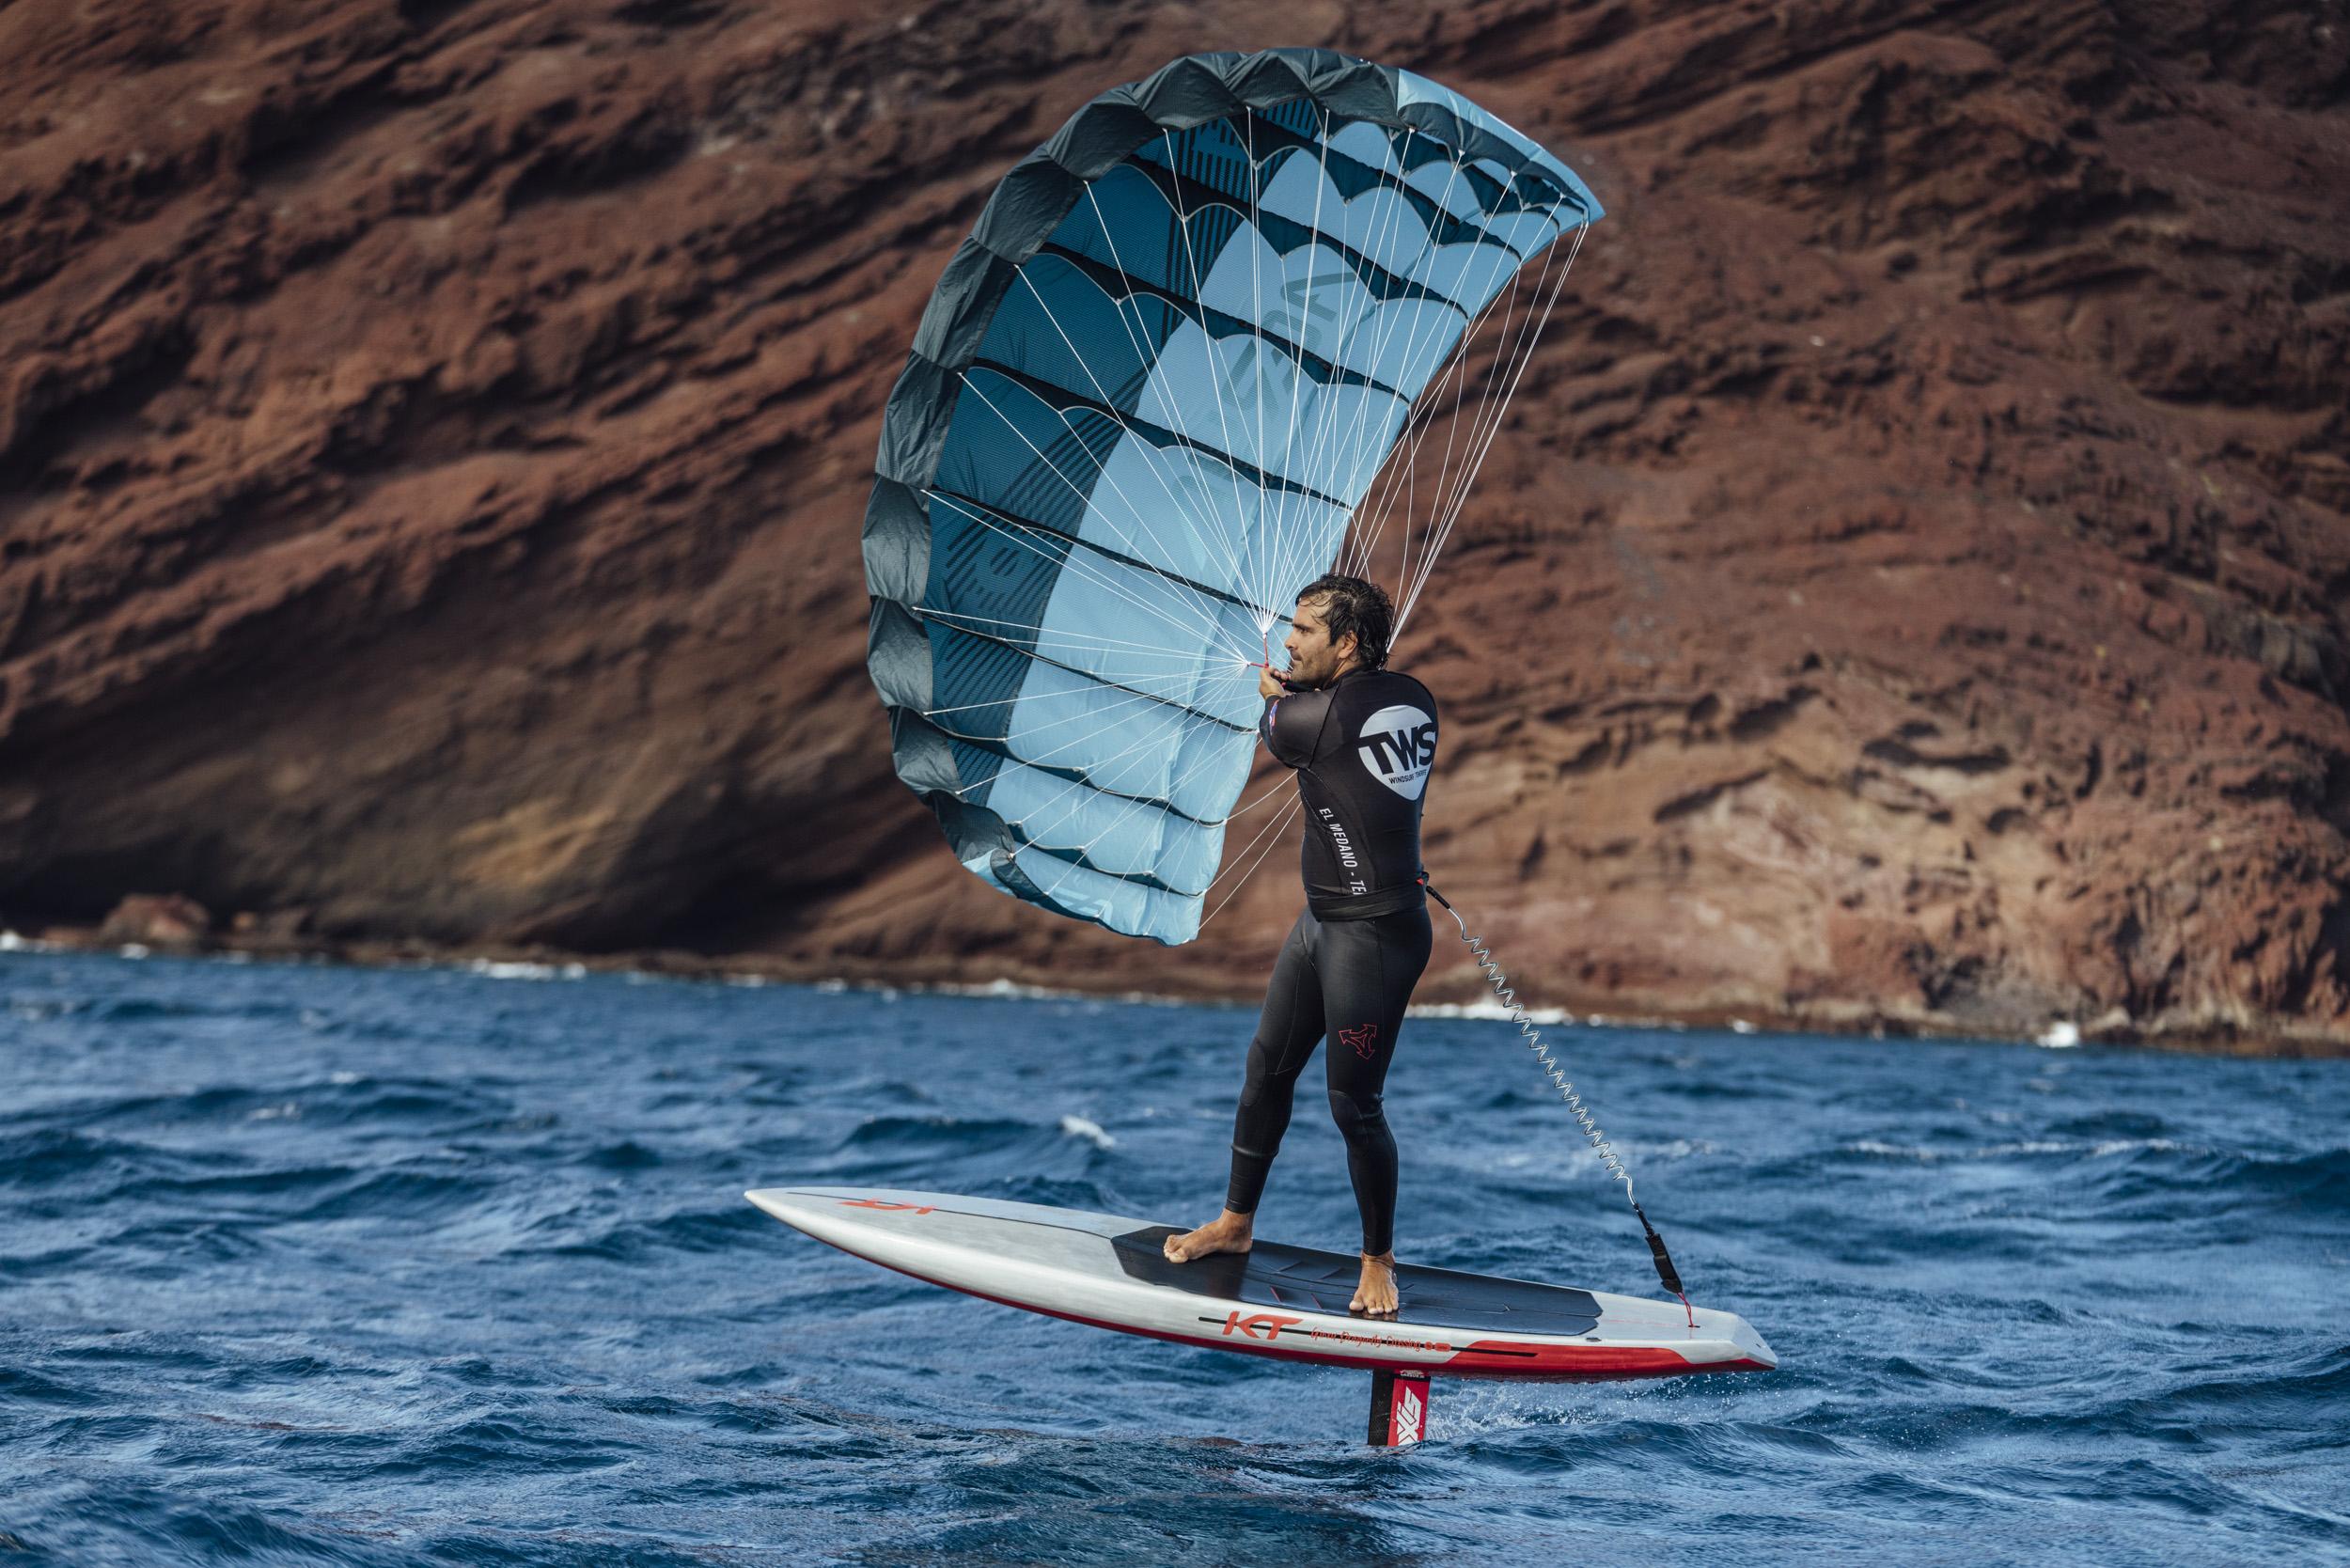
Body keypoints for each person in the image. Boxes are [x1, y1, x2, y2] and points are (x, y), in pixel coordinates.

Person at [1162, 573, 1438, 1317]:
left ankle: (1378, 1263)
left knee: (1355, 1104)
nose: (1286, 640)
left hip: (1374, 938)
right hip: (1323, 924)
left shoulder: (1308, 721)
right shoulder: (1413, 695)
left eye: (1304, 630)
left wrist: (1274, 696)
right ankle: (1236, 1224)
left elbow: (1280, 723)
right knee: (1266, 1069)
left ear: (1346, 643)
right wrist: (1292, 690)